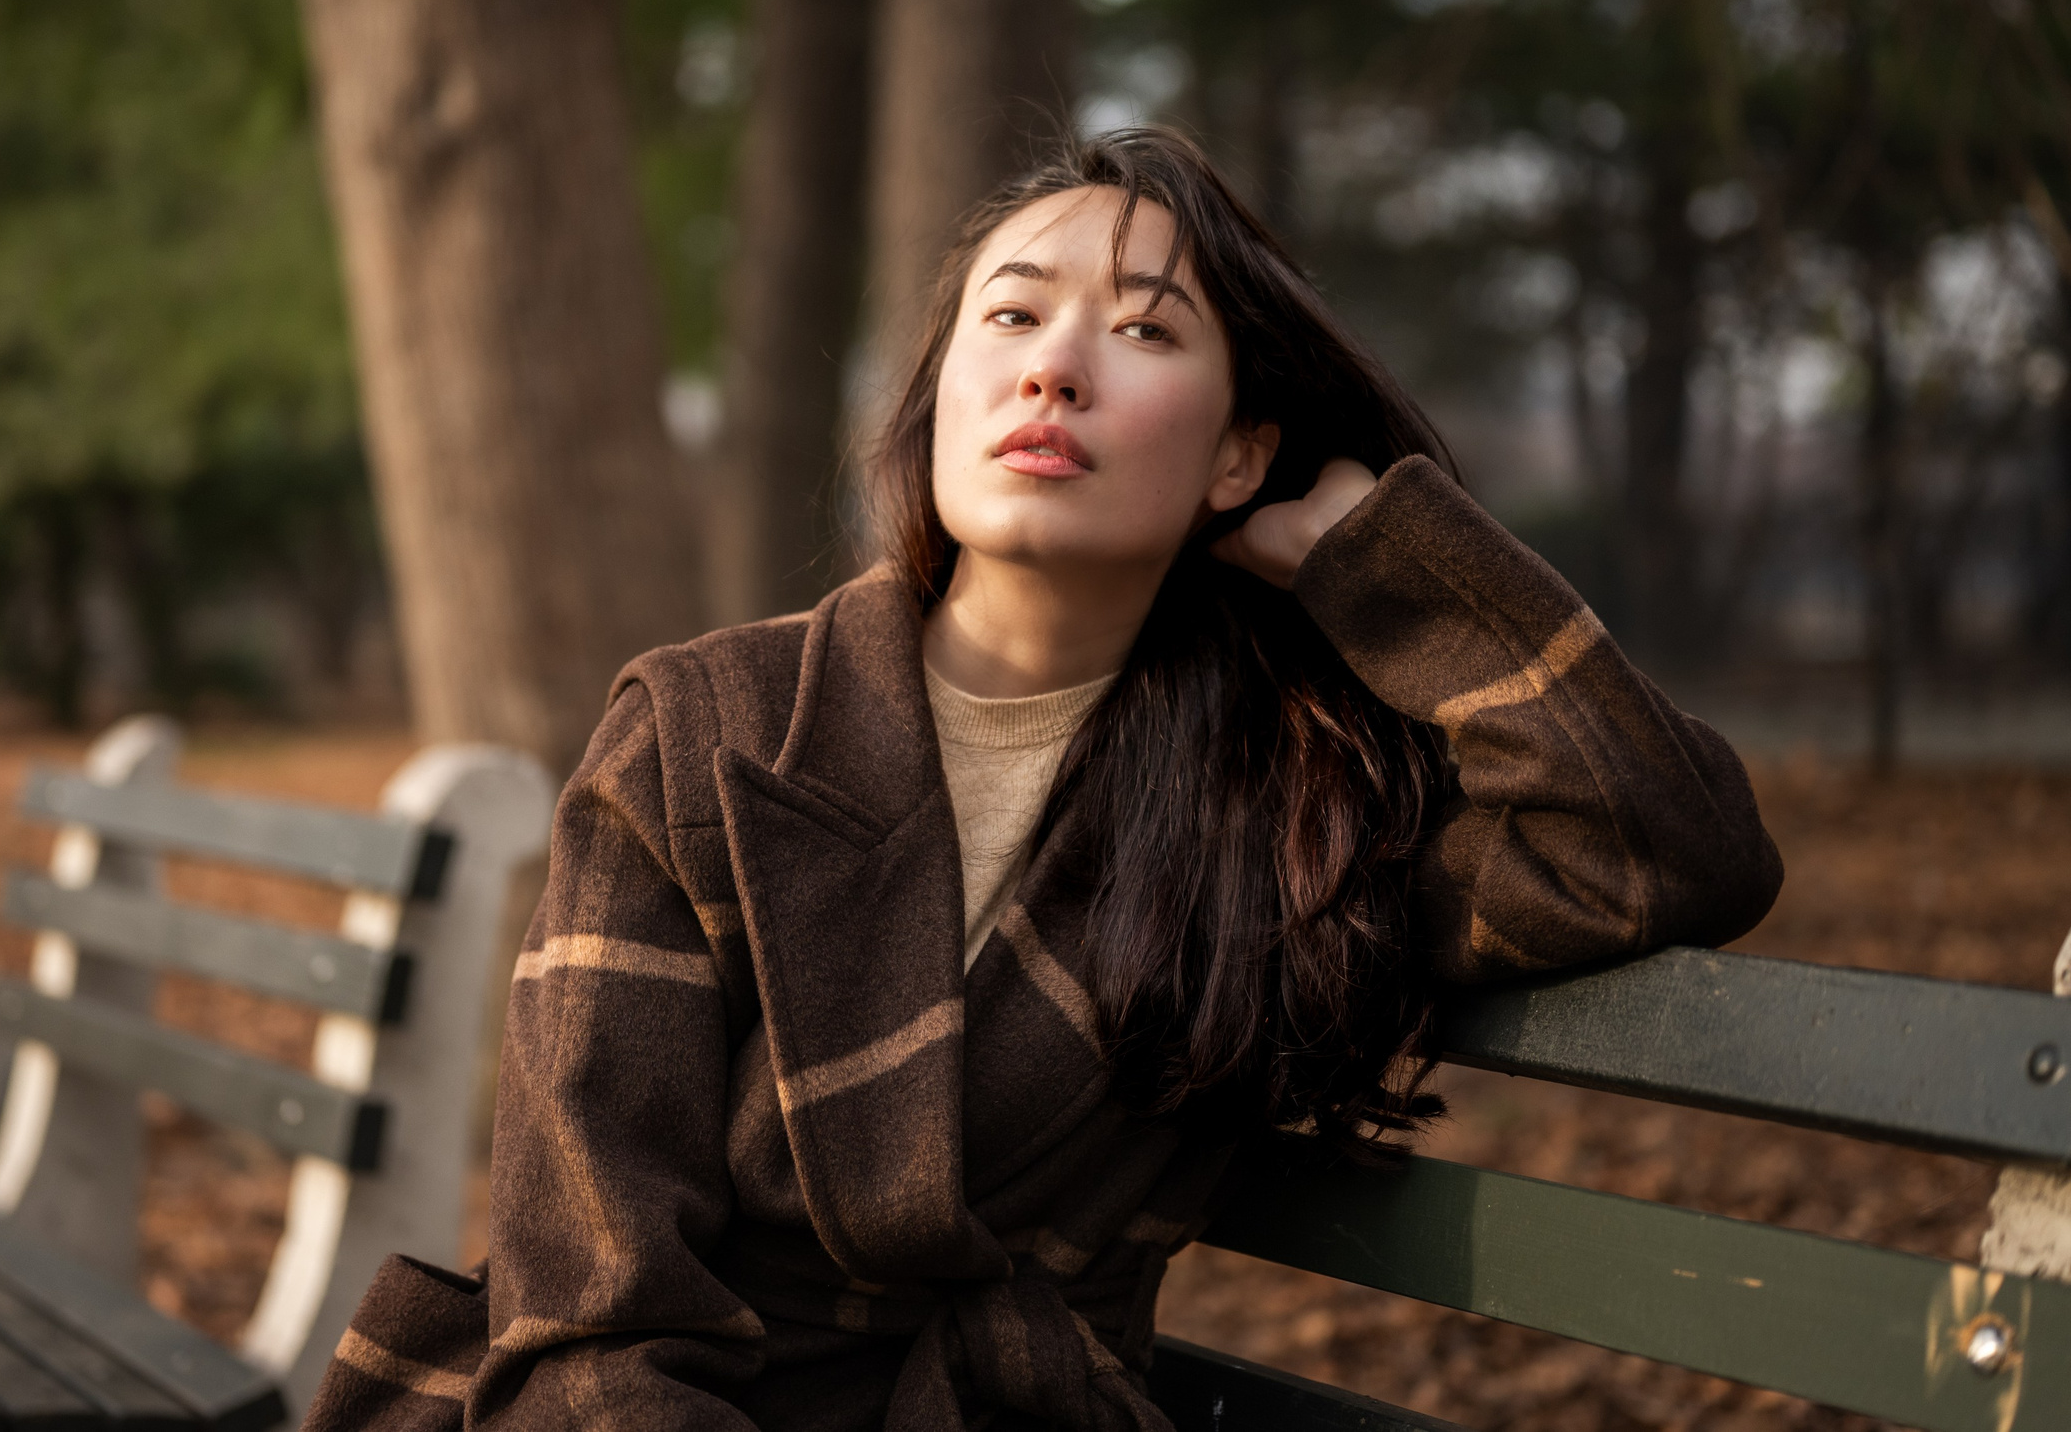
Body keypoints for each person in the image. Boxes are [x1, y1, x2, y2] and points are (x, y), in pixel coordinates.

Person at [305, 125, 1782, 1432]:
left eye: (1145, 335)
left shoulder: (1284, 822)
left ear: (1237, 456)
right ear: (942, 390)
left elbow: (1668, 843)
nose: (1054, 365)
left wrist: (1377, 563)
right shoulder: (706, 734)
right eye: (1009, 316)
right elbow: (592, 1313)